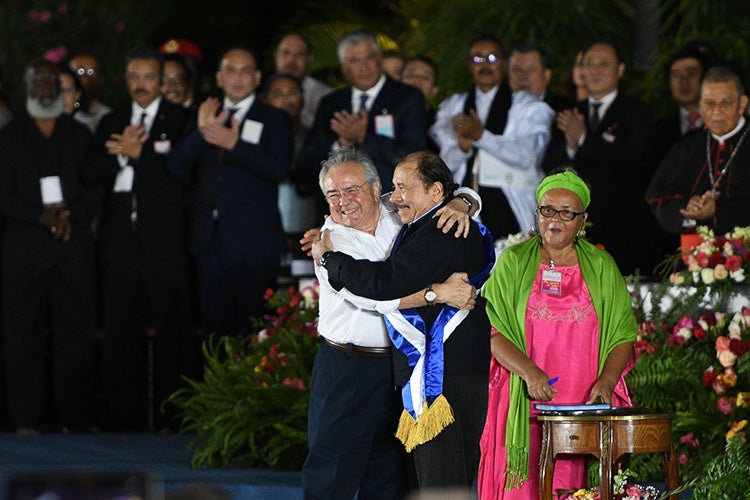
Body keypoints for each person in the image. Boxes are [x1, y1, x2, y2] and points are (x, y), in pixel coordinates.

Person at [301, 147, 482, 499]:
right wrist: (438, 293)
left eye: (352, 189)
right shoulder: (329, 244)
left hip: (401, 367)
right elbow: (376, 297)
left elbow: (447, 192)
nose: (344, 201)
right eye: (333, 194)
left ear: (375, 189)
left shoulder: (396, 209)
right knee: (331, 472)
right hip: (347, 368)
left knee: (389, 475)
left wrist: (462, 203)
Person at [478, 168, 636, 498]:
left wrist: (606, 382)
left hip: (582, 403)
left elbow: (622, 335)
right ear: (536, 214)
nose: (555, 219)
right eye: (547, 209)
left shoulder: (602, 265)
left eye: (567, 213)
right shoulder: (514, 261)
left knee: (572, 488)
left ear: (583, 220)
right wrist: (530, 373)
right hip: (523, 398)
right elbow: (489, 329)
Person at [82, 48, 194, 431]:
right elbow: (88, 171)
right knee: (120, 329)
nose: (142, 84)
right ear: (126, 80)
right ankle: (121, 418)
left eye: (149, 77)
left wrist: (139, 154)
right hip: (119, 242)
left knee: (171, 332)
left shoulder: (181, 120)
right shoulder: (112, 119)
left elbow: (179, 178)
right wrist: (119, 156)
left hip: (165, 245)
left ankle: (173, 417)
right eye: (135, 77)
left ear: (162, 81)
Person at [0, 58, 99, 433]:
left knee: (76, 334)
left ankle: (74, 419)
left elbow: (95, 186)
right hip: (24, 251)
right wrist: (40, 217)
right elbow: (2, 193)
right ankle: (25, 419)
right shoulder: (8, 138)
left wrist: (71, 215)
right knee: (21, 335)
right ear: (26, 85)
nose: (45, 85)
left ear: (60, 88)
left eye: (50, 80)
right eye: (37, 79)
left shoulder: (79, 136)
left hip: (71, 249)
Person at [168, 47, 293, 338]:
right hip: (208, 242)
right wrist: (202, 132)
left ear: (258, 77)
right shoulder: (204, 115)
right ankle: (215, 385)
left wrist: (234, 146)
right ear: (219, 78)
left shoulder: (275, 119)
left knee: (256, 330)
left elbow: (279, 169)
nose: (238, 77)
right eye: (230, 70)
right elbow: (175, 166)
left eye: (245, 70)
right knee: (214, 329)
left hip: (254, 245)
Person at [541, 41, 654, 275]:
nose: (595, 70)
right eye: (588, 64)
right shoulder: (571, 111)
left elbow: (634, 161)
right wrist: (571, 146)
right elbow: (547, 166)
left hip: (623, 225)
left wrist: (584, 138)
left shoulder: (637, 111)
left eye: (604, 64)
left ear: (620, 69)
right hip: (575, 226)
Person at [430, 34, 554, 240]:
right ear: (469, 65)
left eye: (493, 58)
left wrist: (481, 136)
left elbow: (527, 157)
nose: (485, 65)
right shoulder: (453, 107)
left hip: (514, 200)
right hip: (463, 201)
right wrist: (462, 146)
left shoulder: (527, 106)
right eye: (478, 59)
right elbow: (443, 166)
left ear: (504, 64)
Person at [298, 28, 427, 222]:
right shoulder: (331, 103)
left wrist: (364, 137)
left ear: (380, 59)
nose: (364, 67)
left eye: (369, 57)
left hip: (392, 209)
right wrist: (339, 145)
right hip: (341, 213)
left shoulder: (407, 97)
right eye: (354, 61)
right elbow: (307, 161)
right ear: (343, 67)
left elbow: (413, 155)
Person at [646, 66, 750, 241]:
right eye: (709, 103)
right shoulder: (685, 149)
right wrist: (687, 207)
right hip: (694, 258)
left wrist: (718, 210)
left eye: (726, 102)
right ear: (700, 105)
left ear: (742, 104)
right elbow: (655, 197)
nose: (717, 112)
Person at [261, 73, 317, 260]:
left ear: (302, 100)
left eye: (292, 92)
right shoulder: (256, 134)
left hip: (307, 217)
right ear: (266, 100)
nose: (286, 99)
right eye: (278, 93)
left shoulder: (316, 136)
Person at [274, 32, 333, 129]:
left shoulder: (328, 98)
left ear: (309, 59)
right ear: (276, 56)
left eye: (299, 54)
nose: (291, 60)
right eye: (285, 53)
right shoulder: (260, 95)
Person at [507, 43, 574, 112]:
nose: (523, 76)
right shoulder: (498, 107)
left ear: (546, 75)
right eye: (516, 70)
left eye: (531, 69)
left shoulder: (567, 110)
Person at [402, 55, 441, 152]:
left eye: (425, 77)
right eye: (411, 75)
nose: (417, 79)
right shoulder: (384, 115)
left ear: (434, 91)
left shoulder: (441, 124)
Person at [68, 53, 112, 133]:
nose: (85, 78)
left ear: (101, 80)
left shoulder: (109, 117)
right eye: (80, 72)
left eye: (91, 72)